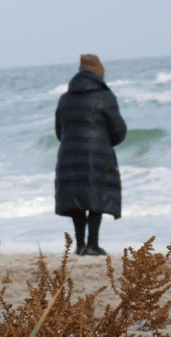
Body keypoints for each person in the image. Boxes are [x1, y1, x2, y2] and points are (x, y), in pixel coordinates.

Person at [54, 54, 127, 256]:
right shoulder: (105, 97)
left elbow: (60, 132)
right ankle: (93, 244)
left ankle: (79, 246)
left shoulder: (65, 98)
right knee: (97, 196)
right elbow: (119, 131)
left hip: (69, 155)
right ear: (99, 73)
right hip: (98, 155)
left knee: (77, 198)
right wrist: (104, 143)